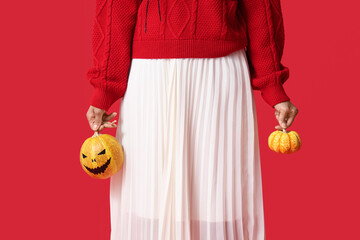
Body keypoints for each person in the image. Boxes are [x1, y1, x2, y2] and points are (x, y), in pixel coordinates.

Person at [85, 0, 299, 239]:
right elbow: (117, 8)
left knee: (218, 197)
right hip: (151, 78)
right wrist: (104, 88)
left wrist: (273, 85)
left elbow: (260, 8)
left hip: (219, 74)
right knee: (148, 195)